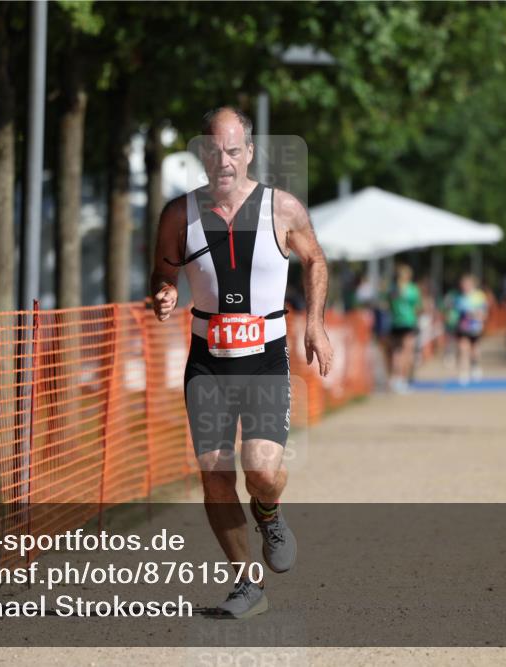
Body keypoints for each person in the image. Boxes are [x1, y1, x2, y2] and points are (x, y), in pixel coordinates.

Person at [150, 107, 333, 619]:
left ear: (249, 152)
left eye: (234, 150)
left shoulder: (283, 208)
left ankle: (269, 512)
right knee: (213, 474)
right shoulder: (178, 215)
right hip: (207, 361)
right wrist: (163, 295)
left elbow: (316, 258)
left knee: (261, 470)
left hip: (265, 360)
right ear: (202, 154)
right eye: (215, 150)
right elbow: (162, 276)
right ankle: (247, 584)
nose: (224, 160)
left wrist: (314, 323)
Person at [386, 264, 421, 393]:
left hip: (395, 323)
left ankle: (394, 378)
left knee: (396, 352)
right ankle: (402, 379)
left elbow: (388, 305)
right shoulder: (412, 289)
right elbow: (417, 307)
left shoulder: (392, 289)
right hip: (408, 323)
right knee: (407, 353)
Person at [454, 274, 488, 385]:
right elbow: (455, 313)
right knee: (463, 348)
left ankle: (475, 366)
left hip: (475, 327)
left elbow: (484, 313)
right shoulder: (459, 297)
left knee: (474, 349)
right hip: (462, 327)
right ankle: (464, 372)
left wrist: (476, 315)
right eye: (463, 284)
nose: (465, 286)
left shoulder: (479, 296)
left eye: (467, 284)